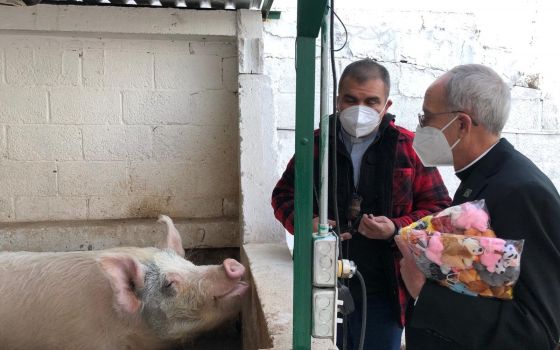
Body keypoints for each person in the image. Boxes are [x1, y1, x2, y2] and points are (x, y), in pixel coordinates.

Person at [271, 59, 451, 350]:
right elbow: (282, 195)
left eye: (371, 101)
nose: (360, 110)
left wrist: (395, 228)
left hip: (387, 288)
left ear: (387, 105)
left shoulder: (410, 147)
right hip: (322, 282)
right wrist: (307, 221)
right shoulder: (316, 145)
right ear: (338, 99)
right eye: (351, 100)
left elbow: (439, 209)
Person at [395, 64, 560, 350]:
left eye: (427, 117)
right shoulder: (483, 177)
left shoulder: (521, 191)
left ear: (462, 124)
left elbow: (535, 331)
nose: (420, 126)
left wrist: (425, 292)